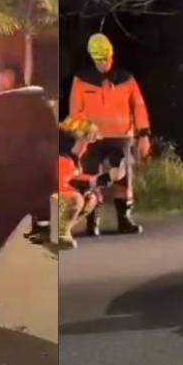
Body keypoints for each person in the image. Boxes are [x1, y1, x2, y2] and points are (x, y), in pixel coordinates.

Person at [70, 33, 151, 236]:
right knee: (91, 177)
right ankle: (92, 221)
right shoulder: (82, 80)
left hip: (121, 138)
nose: (104, 63)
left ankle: (124, 219)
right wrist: (83, 133)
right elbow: (76, 111)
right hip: (93, 139)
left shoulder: (126, 79)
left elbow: (138, 106)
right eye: (100, 59)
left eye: (106, 58)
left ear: (111, 55)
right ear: (92, 58)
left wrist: (144, 135)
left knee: (123, 177)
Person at [54, 117, 103, 249]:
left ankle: (60, 230)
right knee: (76, 199)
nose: (86, 148)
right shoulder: (63, 158)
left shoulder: (71, 159)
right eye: (86, 143)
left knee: (91, 198)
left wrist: (93, 181)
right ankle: (58, 234)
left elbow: (72, 177)